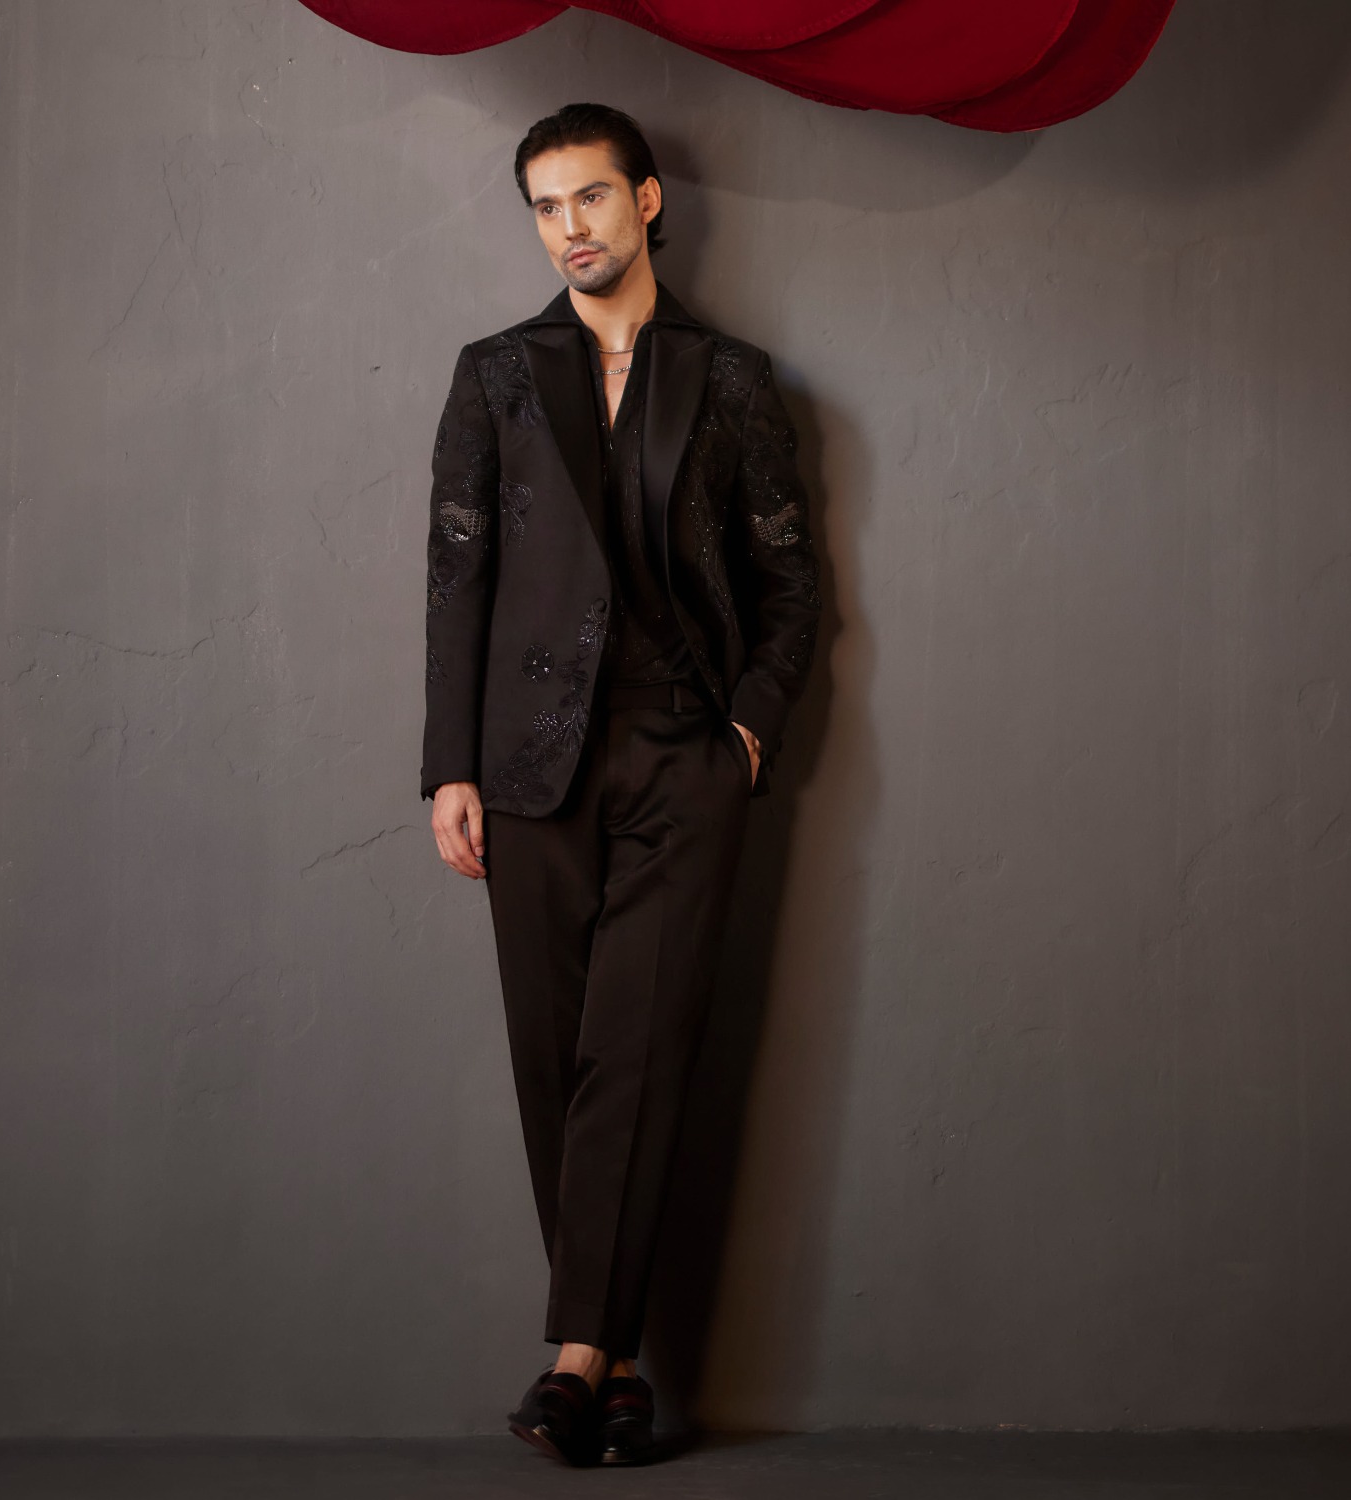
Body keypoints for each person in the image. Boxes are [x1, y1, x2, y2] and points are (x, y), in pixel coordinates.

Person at [420, 102, 822, 1465]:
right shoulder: (493, 375)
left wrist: (747, 731)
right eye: (545, 207)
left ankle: (570, 1362)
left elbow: (790, 583)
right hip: (528, 766)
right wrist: (450, 764)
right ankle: (622, 1365)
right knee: (558, 1065)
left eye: (590, 197)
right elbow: (458, 577)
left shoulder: (732, 379)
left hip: (681, 755)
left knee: (638, 1055)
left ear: (647, 201)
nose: (569, 228)